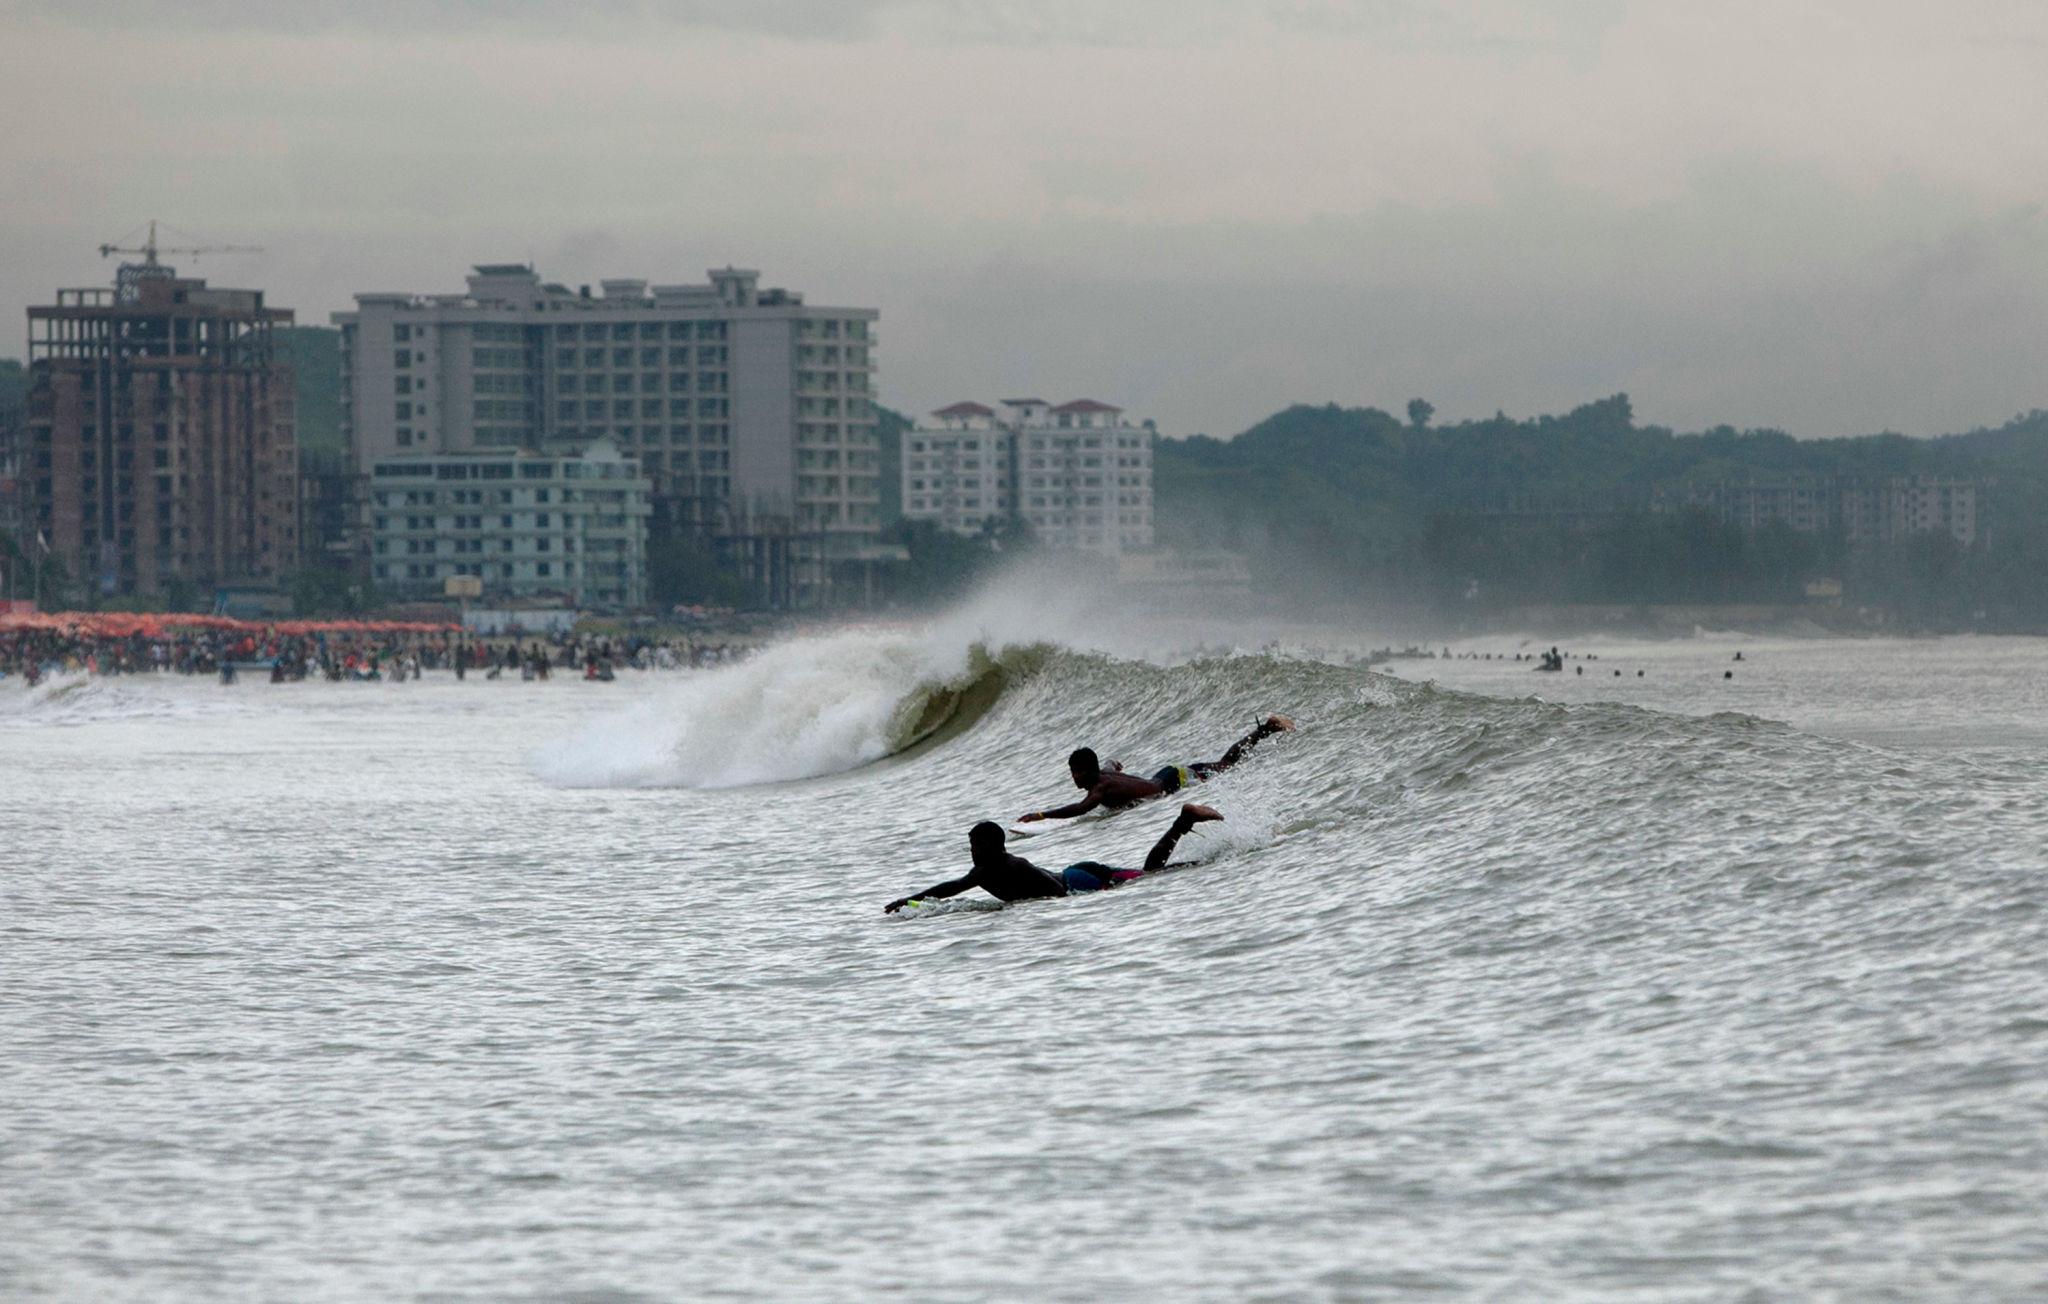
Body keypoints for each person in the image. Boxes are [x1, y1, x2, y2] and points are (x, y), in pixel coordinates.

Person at [884, 803, 1225, 913]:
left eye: (976, 846)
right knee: (1151, 872)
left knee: (1154, 875)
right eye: (971, 846)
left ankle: (1185, 823)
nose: (972, 852)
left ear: (993, 845)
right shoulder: (984, 869)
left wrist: (1089, 899)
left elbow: (1054, 890)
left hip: (1081, 880)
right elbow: (951, 888)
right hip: (1077, 874)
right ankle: (1185, 824)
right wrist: (910, 901)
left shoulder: (1010, 865)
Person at [1017, 715, 1294, 824]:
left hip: (1172, 781)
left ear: (1087, 771)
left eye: (1075, 772)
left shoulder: (1099, 787)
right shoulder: (1100, 773)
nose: (1073, 777)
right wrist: (1115, 764)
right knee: (1223, 764)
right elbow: (1110, 763)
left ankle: (1267, 729)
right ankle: (1266, 731)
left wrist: (1041, 815)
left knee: (1227, 765)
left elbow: (1080, 809)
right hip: (1167, 774)